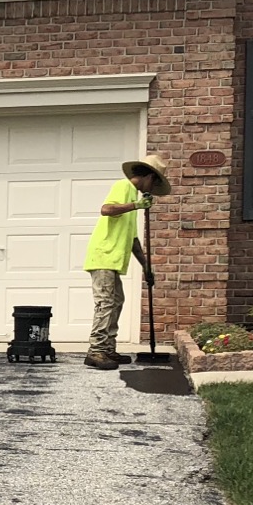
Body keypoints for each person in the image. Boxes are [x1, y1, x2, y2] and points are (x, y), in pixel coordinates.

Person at [82, 154, 169, 370]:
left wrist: (146, 266)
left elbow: (133, 240)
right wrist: (136, 205)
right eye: (154, 182)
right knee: (106, 303)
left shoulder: (132, 198)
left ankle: (108, 349)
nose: (152, 188)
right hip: (103, 256)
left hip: (113, 260)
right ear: (148, 176)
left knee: (117, 301)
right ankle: (96, 351)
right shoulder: (123, 187)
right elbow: (106, 210)